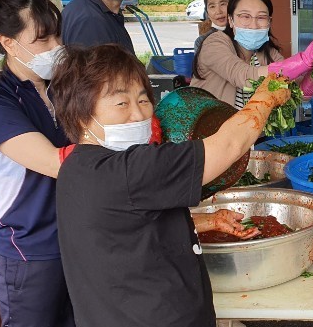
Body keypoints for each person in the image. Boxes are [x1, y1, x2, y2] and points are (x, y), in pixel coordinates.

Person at [48, 44, 291, 326]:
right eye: (121, 103)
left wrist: (206, 221)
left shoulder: (76, 168)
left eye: (142, 100)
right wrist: (266, 96)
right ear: (81, 115)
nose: (139, 115)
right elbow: (228, 145)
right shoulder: (130, 169)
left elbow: (128, 231)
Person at [0, 0, 74, 326]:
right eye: (42, 39)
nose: (56, 46)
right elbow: (53, 162)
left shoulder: (64, 89)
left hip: (79, 238)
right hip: (29, 250)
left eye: (57, 36)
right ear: (9, 43)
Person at [191, 0, 313, 107]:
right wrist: (304, 60)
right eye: (245, 16)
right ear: (231, 20)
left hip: (250, 138)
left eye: (261, 17)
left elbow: (299, 93)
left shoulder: (268, 53)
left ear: (269, 21)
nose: (254, 25)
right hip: (207, 137)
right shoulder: (214, 44)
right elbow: (245, 76)